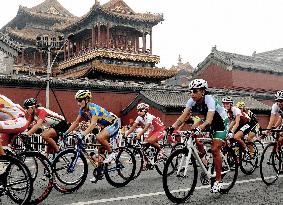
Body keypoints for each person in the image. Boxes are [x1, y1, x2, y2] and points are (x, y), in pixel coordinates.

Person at [166, 79, 229, 193]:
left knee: (215, 149)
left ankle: (219, 180)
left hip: (221, 123)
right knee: (195, 136)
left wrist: (200, 128)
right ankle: (207, 160)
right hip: (210, 123)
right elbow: (182, 117)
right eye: (191, 91)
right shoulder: (191, 101)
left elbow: (209, 120)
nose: (192, 94)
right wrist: (172, 127)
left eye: (195, 91)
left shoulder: (209, 100)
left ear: (203, 91)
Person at [63, 90, 120, 166]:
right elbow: (76, 122)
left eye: (80, 101)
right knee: (100, 151)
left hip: (114, 123)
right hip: (105, 127)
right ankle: (100, 172)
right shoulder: (82, 110)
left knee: (99, 137)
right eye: (77, 101)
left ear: (86, 100)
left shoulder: (94, 108)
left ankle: (111, 153)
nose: (78, 103)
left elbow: (93, 124)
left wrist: (83, 134)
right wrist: (66, 133)